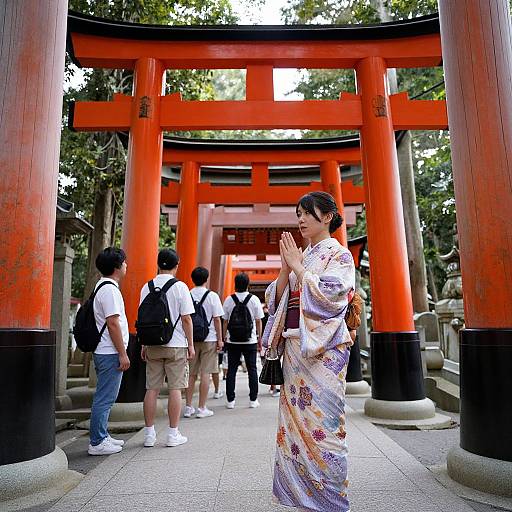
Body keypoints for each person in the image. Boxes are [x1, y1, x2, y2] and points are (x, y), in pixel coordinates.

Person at [263, 191, 355, 512]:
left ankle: (329, 499)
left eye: (307, 213)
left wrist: (299, 270)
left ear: (327, 216)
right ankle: (298, 495)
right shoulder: (305, 254)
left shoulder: (339, 255)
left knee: (325, 424)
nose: (300, 219)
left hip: (324, 351)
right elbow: (274, 302)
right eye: (298, 213)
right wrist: (284, 268)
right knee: (294, 424)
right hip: (294, 349)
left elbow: (333, 295)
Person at [140, 249, 195, 448]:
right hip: (176, 344)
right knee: (175, 389)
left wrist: (144, 344)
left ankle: (149, 435)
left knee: (151, 389)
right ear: (176, 265)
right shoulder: (180, 287)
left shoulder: (146, 287)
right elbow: (187, 319)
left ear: (158, 264)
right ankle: (172, 434)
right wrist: (190, 344)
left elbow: (144, 319)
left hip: (153, 344)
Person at [88, 247, 130, 456]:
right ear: (116, 266)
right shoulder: (110, 290)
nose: (126, 265)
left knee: (106, 397)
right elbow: (113, 323)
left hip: (105, 349)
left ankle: (102, 436)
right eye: (124, 262)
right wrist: (123, 353)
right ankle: (97, 442)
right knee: (105, 398)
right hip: (109, 351)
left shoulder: (102, 286)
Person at [184, 266, 224, 418]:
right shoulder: (212, 296)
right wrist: (220, 339)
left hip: (192, 338)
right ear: (206, 279)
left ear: (192, 279)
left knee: (191, 374)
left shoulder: (188, 294)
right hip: (210, 338)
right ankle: (201, 407)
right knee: (206, 373)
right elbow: (217, 319)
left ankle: (188, 407)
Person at [222, 272, 264, 409]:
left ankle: (230, 401)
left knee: (232, 370)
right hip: (250, 340)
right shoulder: (254, 300)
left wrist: (224, 337)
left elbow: (225, 321)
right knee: (252, 369)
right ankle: (253, 400)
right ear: (248, 284)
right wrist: (259, 337)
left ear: (235, 284)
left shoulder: (229, 300)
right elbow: (258, 321)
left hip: (232, 340)